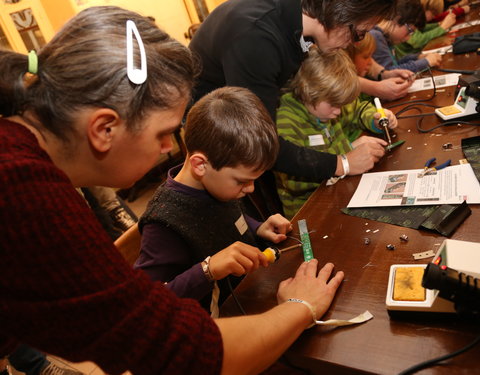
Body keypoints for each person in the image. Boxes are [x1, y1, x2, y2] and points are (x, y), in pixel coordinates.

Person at [0, 6, 344, 375]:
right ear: (103, 129)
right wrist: (300, 307)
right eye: (164, 133)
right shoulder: (23, 192)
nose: (169, 149)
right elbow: (179, 350)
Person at [189, 0, 398, 188]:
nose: (356, 43)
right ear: (339, 14)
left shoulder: (296, 24)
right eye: (359, 33)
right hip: (215, 132)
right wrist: (343, 163)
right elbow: (262, 143)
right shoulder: (256, 37)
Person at [135, 87, 292, 316]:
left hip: (249, 290)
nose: (250, 189)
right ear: (200, 165)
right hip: (217, 323)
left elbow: (225, 218)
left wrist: (258, 228)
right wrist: (208, 270)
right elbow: (146, 303)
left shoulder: (218, 186)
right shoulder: (163, 223)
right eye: (242, 181)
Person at [275, 47, 397, 218]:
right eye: (334, 105)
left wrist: (375, 118)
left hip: (341, 190)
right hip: (310, 212)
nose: (338, 112)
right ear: (309, 91)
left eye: (341, 104)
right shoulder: (286, 121)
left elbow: (358, 109)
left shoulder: (328, 102)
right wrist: (348, 152)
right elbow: (294, 181)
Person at [370, 0, 443, 73]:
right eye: (410, 30)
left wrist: (417, 57)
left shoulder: (386, 37)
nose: (408, 37)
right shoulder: (376, 36)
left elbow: (395, 63)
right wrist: (425, 62)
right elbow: (390, 72)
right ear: (397, 19)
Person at [393, 0, 464, 59]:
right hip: (411, 59)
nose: (434, 17)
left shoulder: (412, 21)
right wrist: (442, 28)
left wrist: (438, 24)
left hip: (417, 57)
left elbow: (422, 28)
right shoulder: (409, 21)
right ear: (425, 9)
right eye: (433, 14)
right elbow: (417, 41)